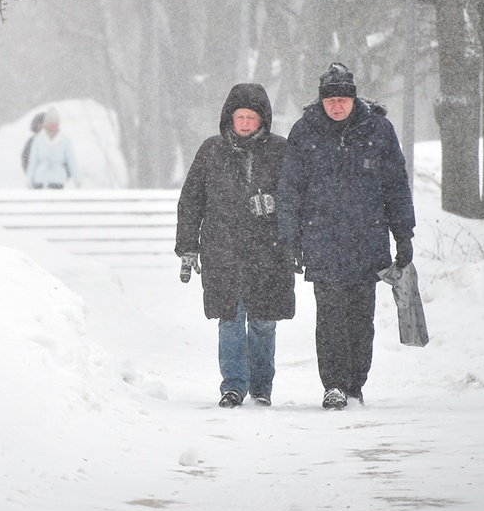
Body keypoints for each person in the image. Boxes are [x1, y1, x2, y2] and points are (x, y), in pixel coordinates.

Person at [276, 63, 415, 410]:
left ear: (353, 98)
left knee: (360, 316)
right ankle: (334, 385)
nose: (337, 106)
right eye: (331, 100)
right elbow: (290, 188)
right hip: (321, 239)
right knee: (330, 316)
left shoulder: (379, 131)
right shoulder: (304, 133)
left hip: (367, 240)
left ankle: (356, 382)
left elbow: (396, 187)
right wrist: (290, 237)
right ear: (321, 101)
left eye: (343, 99)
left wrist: (403, 234)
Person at [176, 83, 296, 408]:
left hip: (268, 253)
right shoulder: (211, 151)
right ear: (230, 118)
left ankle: (261, 388)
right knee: (229, 319)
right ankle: (232, 386)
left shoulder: (281, 151)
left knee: (263, 322)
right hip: (222, 252)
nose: (244, 123)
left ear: (263, 120)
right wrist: (188, 246)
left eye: (251, 117)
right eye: (239, 116)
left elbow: (296, 199)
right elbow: (191, 201)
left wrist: (274, 207)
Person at [25, 107, 79, 189]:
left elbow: (71, 161)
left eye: (55, 124)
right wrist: (29, 179)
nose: (53, 126)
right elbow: (33, 162)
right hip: (40, 180)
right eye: (51, 124)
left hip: (57, 180)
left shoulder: (65, 140)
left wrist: (77, 179)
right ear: (46, 124)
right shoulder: (38, 139)